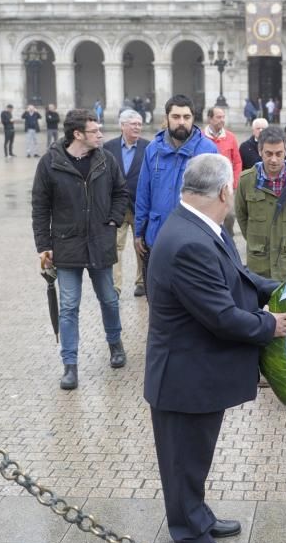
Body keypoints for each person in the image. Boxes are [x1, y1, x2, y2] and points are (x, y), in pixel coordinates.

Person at [145, 153, 286, 543]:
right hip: (183, 376)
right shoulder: (189, 242)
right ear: (226, 191)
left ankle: (199, 516)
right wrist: (271, 327)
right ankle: (190, 537)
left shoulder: (199, 226)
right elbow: (221, 316)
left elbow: (238, 278)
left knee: (195, 457)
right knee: (183, 462)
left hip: (195, 372)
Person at [31, 109, 129, 390]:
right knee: (69, 307)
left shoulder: (106, 160)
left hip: (100, 242)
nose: (101, 135)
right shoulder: (50, 163)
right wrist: (44, 246)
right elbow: (40, 207)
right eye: (95, 131)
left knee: (109, 299)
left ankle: (115, 344)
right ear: (78, 135)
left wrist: (112, 219)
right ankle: (70, 365)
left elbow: (121, 192)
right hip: (67, 245)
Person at [234, 126, 286, 379]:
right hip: (259, 264)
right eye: (268, 153)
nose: (273, 159)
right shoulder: (247, 180)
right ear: (260, 152)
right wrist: (258, 243)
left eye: (279, 153)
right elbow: (242, 217)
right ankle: (261, 370)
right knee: (260, 318)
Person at [135, 94, 219, 296]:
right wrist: (139, 231)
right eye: (176, 116)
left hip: (194, 240)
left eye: (186, 117)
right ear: (167, 118)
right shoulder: (152, 150)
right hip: (157, 236)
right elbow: (143, 192)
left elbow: (216, 196)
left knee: (193, 299)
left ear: (193, 118)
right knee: (157, 298)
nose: (181, 122)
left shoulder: (207, 150)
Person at [104, 109, 149, 298]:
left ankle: (142, 282)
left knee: (142, 247)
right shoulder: (108, 148)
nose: (138, 127)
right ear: (122, 125)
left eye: (139, 123)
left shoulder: (149, 147)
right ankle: (115, 286)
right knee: (115, 247)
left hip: (140, 206)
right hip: (117, 206)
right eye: (133, 124)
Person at [204, 106, 242, 236]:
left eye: (223, 117)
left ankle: (228, 239)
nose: (222, 120)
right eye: (218, 117)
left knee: (230, 215)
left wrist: (235, 181)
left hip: (227, 185)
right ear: (210, 119)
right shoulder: (201, 137)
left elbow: (237, 161)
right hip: (207, 185)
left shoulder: (230, 137)